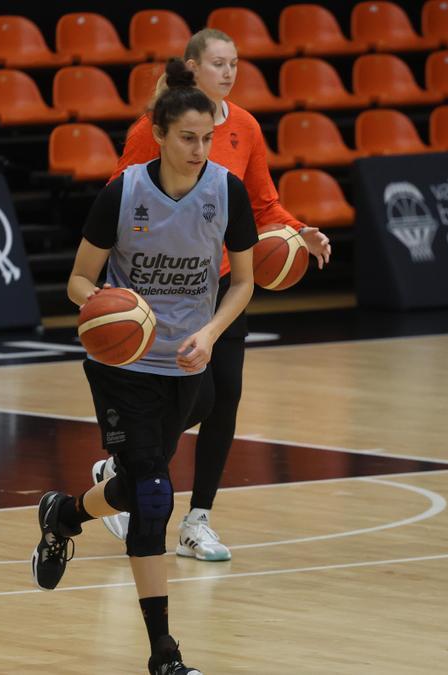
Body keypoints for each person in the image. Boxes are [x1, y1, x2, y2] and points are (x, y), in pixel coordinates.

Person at [30, 60, 257, 675]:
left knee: (136, 485)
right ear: (158, 133)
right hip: (123, 365)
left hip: (187, 364)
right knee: (155, 494)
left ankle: (65, 513)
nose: (199, 149)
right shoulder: (123, 192)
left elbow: (245, 283)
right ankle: (163, 653)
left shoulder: (225, 191)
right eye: (187, 137)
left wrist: (211, 332)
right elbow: (78, 280)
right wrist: (114, 304)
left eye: (207, 137)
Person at [91, 28, 331, 562]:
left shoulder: (244, 126)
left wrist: (297, 231)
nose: (228, 73)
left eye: (235, 64)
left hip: (218, 280)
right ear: (192, 69)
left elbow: (264, 204)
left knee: (224, 396)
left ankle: (198, 520)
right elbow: (119, 198)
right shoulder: (150, 130)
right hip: (155, 285)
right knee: (180, 396)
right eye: (218, 63)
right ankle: (127, 469)